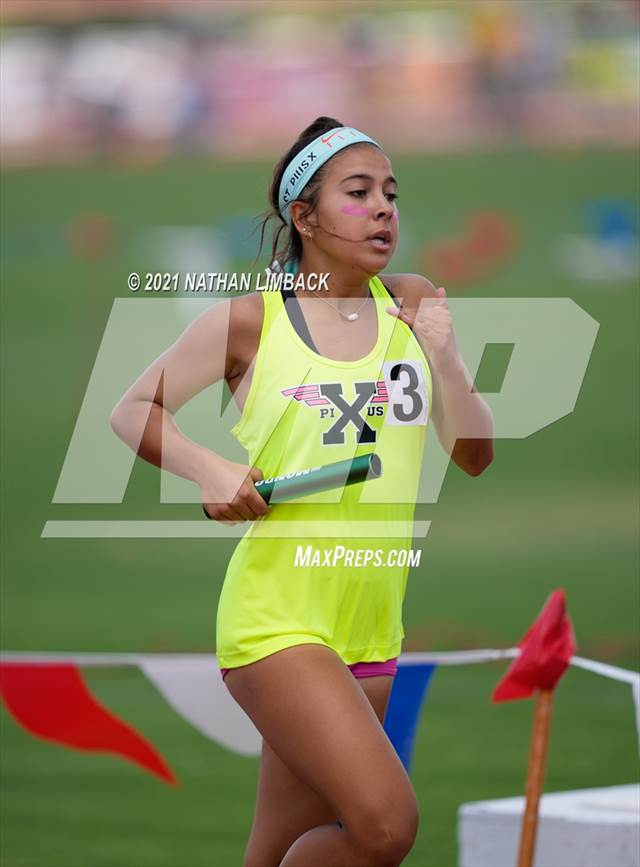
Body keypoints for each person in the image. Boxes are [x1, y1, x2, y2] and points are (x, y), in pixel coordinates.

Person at [111, 116, 494, 867]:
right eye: (358, 192)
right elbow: (132, 409)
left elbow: (474, 454)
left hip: (373, 623)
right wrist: (209, 468)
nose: (384, 207)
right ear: (305, 216)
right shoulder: (251, 321)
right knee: (386, 827)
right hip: (278, 620)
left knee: (277, 850)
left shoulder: (413, 302)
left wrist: (446, 361)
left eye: (390, 192)